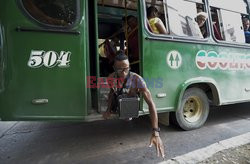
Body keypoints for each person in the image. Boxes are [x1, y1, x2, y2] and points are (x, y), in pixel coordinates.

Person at [103, 51, 165, 158]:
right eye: (119, 69)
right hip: (120, 103)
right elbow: (111, 93)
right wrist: (108, 110)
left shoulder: (137, 80)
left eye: (126, 68)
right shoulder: (111, 78)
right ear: (114, 67)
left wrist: (156, 132)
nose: (123, 72)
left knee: (128, 117)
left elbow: (151, 104)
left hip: (131, 106)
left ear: (129, 67)